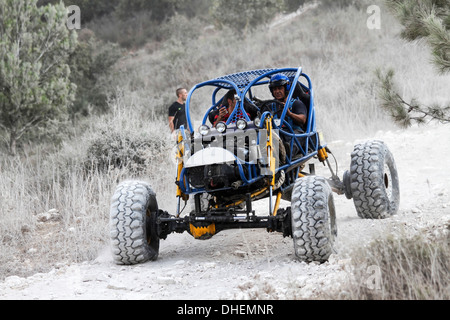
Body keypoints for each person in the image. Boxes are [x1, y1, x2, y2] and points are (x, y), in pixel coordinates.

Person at [268, 74, 308, 157]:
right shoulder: (270, 106)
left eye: (280, 88)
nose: (277, 91)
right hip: (277, 135)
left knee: (296, 136)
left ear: (285, 89)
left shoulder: (296, 103)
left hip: (293, 133)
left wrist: (290, 114)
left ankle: (286, 155)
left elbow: (303, 119)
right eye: (275, 89)